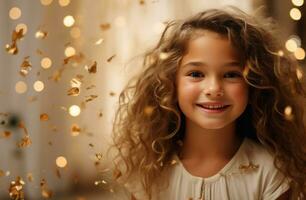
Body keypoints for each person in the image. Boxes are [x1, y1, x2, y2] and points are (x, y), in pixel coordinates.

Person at [110, 6, 306, 200]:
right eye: (196, 74)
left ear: (254, 82)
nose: (213, 88)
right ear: (170, 82)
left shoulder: (271, 171)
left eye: (231, 74)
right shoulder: (149, 171)